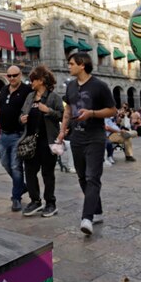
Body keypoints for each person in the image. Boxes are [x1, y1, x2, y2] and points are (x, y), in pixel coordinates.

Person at [60, 52, 116, 236]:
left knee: (93, 177)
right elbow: (67, 109)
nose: (69, 66)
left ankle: (87, 218)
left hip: (95, 136)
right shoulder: (70, 86)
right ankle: (97, 210)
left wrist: (91, 113)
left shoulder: (99, 86)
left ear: (82, 64)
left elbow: (112, 110)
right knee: (83, 177)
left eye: (71, 63)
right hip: (76, 137)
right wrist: (62, 132)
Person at [19, 66, 63, 218]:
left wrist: (48, 111)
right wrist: (22, 119)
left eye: (33, 80)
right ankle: (35, 201)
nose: (31, 82)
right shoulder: (30, 97)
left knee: (47, 173)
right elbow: (22, 114)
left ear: (42, 80)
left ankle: (51, 203)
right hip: (31, 141)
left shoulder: (54, 97)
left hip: (47, 141)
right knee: (30, 173)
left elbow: (63, 117)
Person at [0, 66, 32, 212]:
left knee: (15, 166)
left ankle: (16, 198)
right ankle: (21, 186)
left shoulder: (27, 91)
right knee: (4, 163)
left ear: (20, 75)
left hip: (18, 135)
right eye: (9, 76)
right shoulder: (4, 90)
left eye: (15, 75)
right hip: (4, 134)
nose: (12, 78)